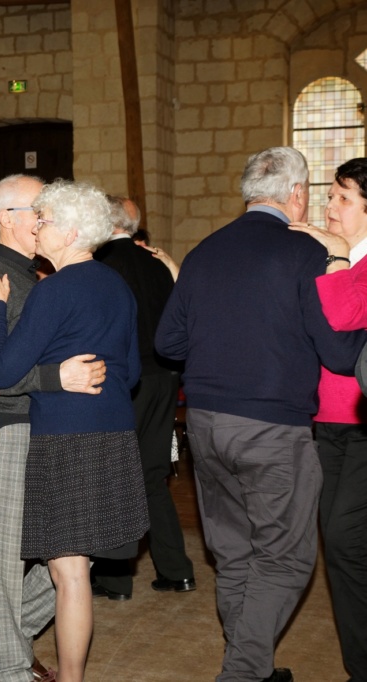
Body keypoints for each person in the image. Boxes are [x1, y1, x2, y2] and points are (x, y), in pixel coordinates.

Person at [156, 147, 366, 682]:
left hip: (205, 423)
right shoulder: (305, 254)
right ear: (296, 195)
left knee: (233, 553)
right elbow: (341, 357)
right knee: (285, 559)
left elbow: (168, 342)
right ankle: (244, 672)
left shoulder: (204, 252)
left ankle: (254, 664)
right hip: (273, 429)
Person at [0, 179, 148, 682]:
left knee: (68, 575)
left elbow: (2, 371)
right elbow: (131, 372)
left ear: (70, 233)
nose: (38, 227)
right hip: (114, 432)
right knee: (76, 571)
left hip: (67, 439)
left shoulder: (54, 290)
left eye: (44, 220)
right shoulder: (117, 285)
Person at [0, 174, 107, 682]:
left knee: (71, 559)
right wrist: (55, 376)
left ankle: (11, 635)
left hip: (43, 427)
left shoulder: (31, 276)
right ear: (8, 220)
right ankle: (9, 668)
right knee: (3, 560)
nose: (44, 218)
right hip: (4, 429)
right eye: (36, 209)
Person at [91, 196, 196, 601]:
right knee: (152, 476)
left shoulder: (101, 267)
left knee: (116, 474)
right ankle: (177, 570)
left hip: (126, 380)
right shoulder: (157, 264)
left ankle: (115, 579)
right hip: (165, 379)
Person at [287, 157, 367, 682]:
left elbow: (341, 318)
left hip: (364, 426)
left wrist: (336, 258)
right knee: (341, 547)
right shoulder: (336, 257)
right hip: (329, 423)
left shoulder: (353, 263)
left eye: (342, 198)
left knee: (343, 538)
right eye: (330, 195)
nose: (329, 206)